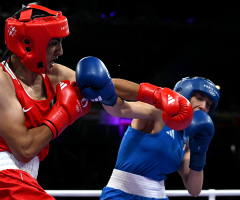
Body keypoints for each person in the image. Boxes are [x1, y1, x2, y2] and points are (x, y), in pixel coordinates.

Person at [75, 57, 220, 200]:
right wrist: (104, 91)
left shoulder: (189, 141)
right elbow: (121, 109)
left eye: (208, 104)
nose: (203, 107)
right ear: (184, 94)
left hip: (158, 197)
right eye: (200, 98)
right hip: (122, 195)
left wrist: (201, 151)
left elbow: (194, 190)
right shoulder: (158, 112)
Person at [0, 4, 91, 199]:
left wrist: (154, 95)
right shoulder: (1, 80)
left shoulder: (51, 74)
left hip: (23, 180)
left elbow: (99, 85)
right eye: (53, 43)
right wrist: (63, 114)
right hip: (5, 180)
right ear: (29, 43)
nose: (60, 51)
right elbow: (25, 149)